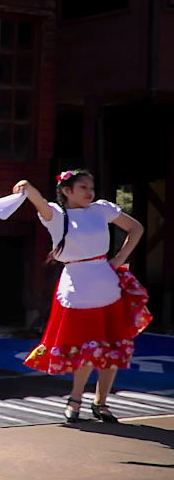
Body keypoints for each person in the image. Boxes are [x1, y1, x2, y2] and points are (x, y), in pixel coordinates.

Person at [14, 170, 150, 423]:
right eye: (83, 187)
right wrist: (29, 189)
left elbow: (136, 228)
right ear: (67, 191)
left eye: (92, 187)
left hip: (107, 283)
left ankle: (102, 402)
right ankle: (75, 399)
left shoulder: (101, 210)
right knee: (85, 346)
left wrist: (119, 259)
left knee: (112, 345)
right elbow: (40, 203)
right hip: (77, 286)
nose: (90, 192)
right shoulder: (57, 215)